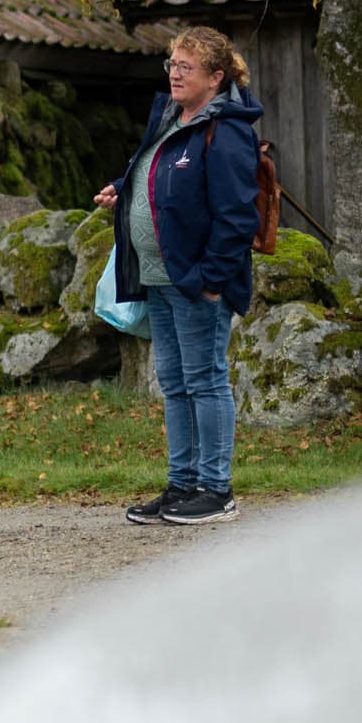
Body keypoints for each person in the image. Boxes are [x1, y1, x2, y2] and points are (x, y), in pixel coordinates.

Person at [94, 27, 264, 527]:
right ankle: (182, 485)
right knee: (174, 382)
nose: (174, 72)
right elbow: (162, 175)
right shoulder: (174, 118)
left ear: (215, 77)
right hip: (159, 276)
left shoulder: (227, 130)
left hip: (195, 282)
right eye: (171, 63)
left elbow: (237, 215)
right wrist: (123, 189)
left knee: (205, 380)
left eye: (185, 66)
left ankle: (216, 490)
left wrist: (212, 279)